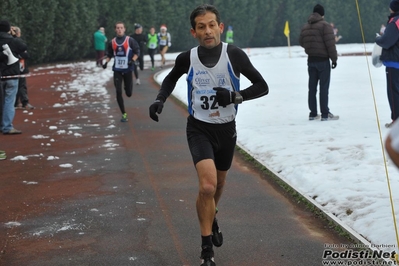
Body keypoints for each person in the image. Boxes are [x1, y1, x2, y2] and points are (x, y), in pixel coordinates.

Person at [148, 4, 269, 266]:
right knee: (207, 186)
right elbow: (170, 79)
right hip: (199, 128)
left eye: (212, 25)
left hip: (227, 130)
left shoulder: (234, 55)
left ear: (220, 27)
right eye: (201, 27)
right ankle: (206, 252)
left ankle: (211, 216)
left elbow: (262, 86)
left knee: (219, 186)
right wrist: (160, 100)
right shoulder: (187, 58)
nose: (207, 31)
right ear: (194, 32)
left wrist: (236, 96)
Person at [299, 4, 339, 121]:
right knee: (324, 88)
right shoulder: (325, 26)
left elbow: (302, 42)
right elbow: (330, 44)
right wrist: (334, 59)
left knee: (312, 88)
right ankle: (325, 114)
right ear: (322, 14)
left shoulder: (306, 26)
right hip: (323, 61)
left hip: (311, 60)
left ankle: (313, 113)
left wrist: (311, 47)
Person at [102, 21, 139, 122]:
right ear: (115, 30)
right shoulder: (112, 42)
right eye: (117, 28)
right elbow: (109, 55)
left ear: (124, 29)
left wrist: (133, 60)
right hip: (117, 70)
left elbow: (137, 52)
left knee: (128, 93)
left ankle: (128, 88)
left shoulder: (130, 40)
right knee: (118, 91)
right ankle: (123, 113)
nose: (119, 29)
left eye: (121, 28)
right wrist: (105, 63)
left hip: (127, 70)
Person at [0, 20, 27, 134]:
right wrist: (15, 35)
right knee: (9, 101)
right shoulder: (14, 41)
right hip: (11, 75)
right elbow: (24, 49)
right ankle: (6, 127)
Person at [376, 0, 399, 128]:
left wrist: (378, 38)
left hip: (394, 63)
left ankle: (396, 122)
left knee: (394, 92)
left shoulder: (395, 21)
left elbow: (386, 41)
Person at [12, 26, 34, 110]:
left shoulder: (7, 41)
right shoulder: (19, 42)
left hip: (10, 68)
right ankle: (25, 102)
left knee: (14, 85)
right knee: (22, 85)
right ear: (18, 33)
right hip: (20, 66)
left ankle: (15, 103)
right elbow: (25, 55)